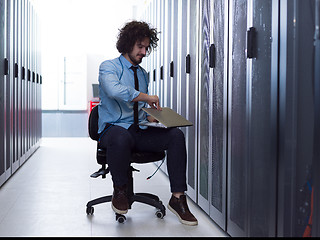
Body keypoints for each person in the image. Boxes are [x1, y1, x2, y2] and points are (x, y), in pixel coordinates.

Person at [97, 20, 198, 226]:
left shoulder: (142, 74)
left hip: (138, 130)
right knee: (121, 135)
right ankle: (121, 190)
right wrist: (145, 96)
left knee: (175, 135)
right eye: (140, 47)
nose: (144, 52)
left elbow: (139, 109)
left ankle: (178, 198)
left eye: (146, 47)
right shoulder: (109, 67)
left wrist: (154, 117)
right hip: (113, 130)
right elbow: (114, 91)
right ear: (128, 44)